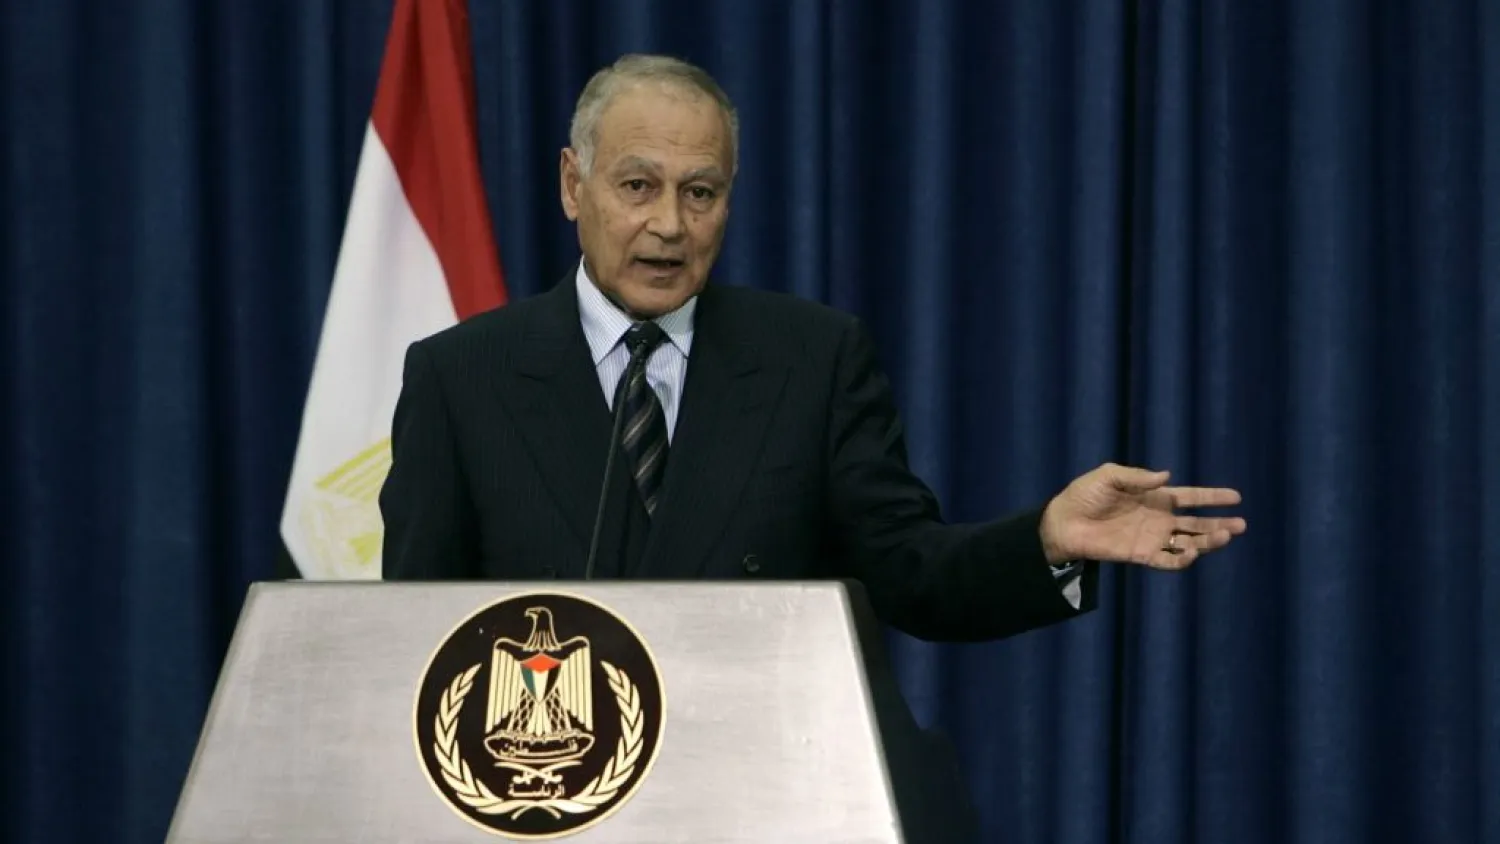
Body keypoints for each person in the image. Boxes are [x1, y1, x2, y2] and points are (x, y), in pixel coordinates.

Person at [378, 54, 1246, 643]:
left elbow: (910, 572)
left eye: (702, 192)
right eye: (638, 186)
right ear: (575, 184)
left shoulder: (810, 359)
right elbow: (412, 641)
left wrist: (1049, 539)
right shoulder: (461, 376)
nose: (670, 225)